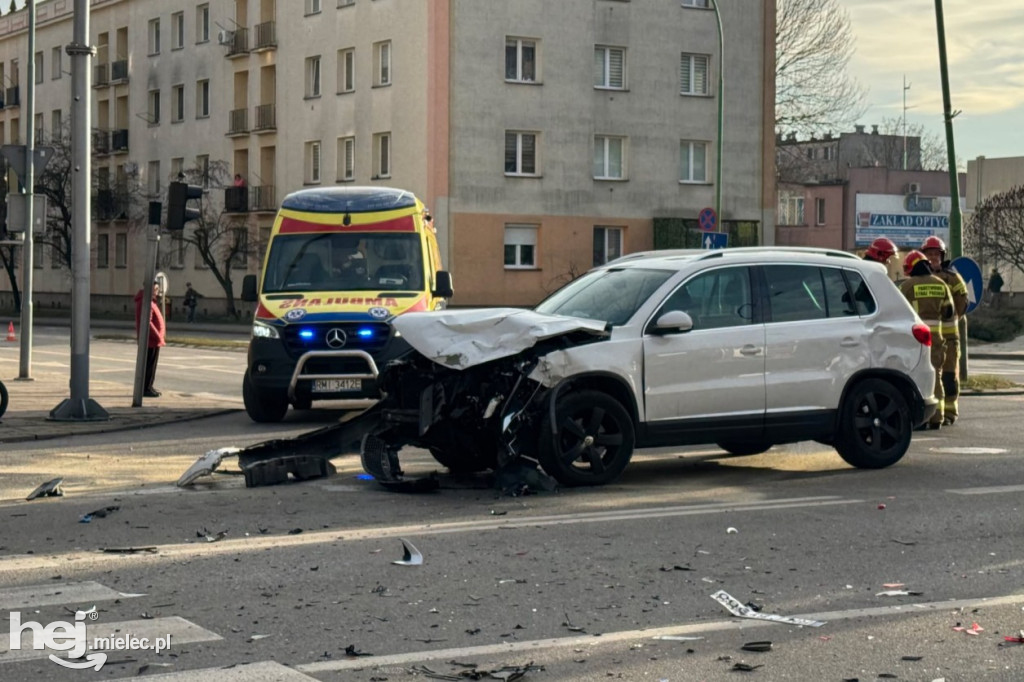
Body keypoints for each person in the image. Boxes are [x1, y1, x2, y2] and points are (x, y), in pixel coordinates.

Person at [899, 250, 954, 430]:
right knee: (936, 375)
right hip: (936, 339)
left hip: (915, 339)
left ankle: (921, 419)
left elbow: (898, 312)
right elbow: (949, 312)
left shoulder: (907, 286)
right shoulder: (941, 284)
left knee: (916, 377)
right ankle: (937, 417)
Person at [921, 236, 967, 425]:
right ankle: (933, 414)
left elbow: (963, 302)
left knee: (949, 376)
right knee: (930, 377)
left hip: (949, 338)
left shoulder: (953, 277)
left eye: (936, 254)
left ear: (942, 255)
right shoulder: (917, 279)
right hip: (926, 339)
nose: (933, 257)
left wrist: (951, 317)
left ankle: (949, 412)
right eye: (929, 254)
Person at [134, 280, 167, 398]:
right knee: (148, 365)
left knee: (151, 365)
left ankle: (149, 386)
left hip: (153, 340)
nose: (157, 292)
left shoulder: (149, 301)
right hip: (150, 340)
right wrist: (158, 336)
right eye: (155, 290)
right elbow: (147, 323)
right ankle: (146, 388)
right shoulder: (145, 302)